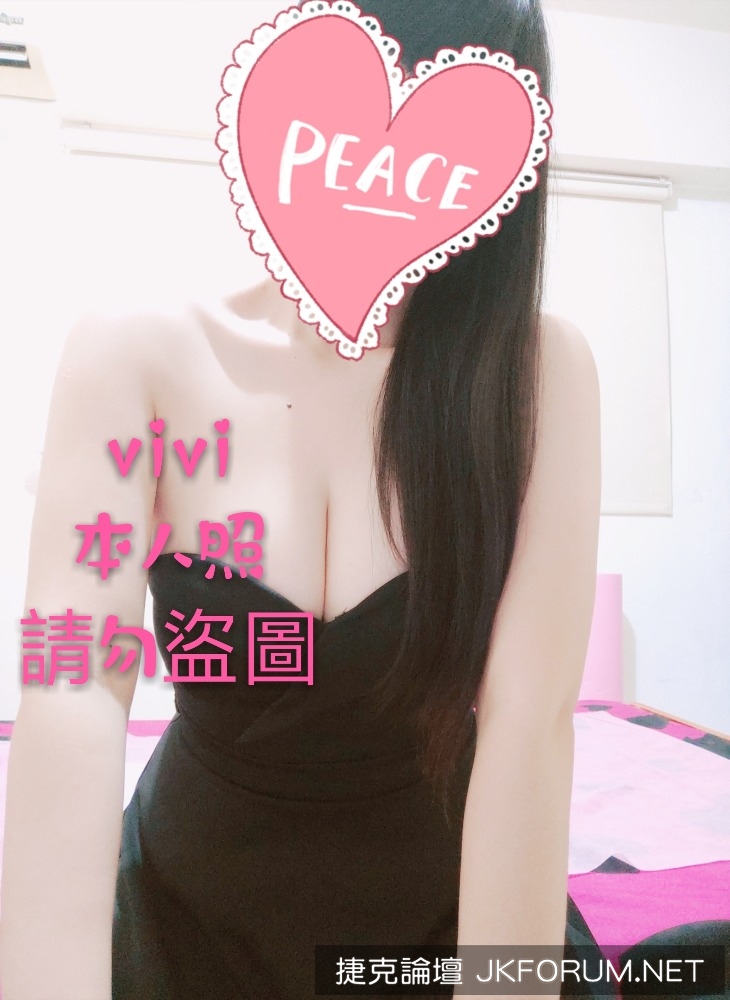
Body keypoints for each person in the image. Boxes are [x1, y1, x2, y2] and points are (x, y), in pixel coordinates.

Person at [0, 1, 603, 998]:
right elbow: (72, 684)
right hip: (185, 913)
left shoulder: (535, 373)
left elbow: (528, 724)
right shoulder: (136, 353)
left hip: (447, 918)